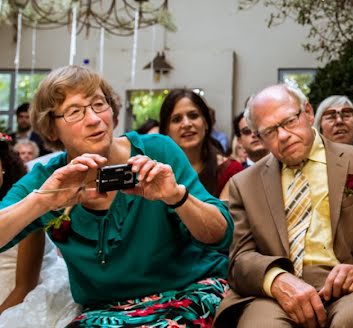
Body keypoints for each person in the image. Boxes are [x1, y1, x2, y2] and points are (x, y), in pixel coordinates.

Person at [0, 66, 234, 326]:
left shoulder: (157, 151)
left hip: (187, 293)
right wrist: (42, 200)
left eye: (99, 104)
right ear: (51, 129)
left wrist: (177, 197)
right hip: (105, 313)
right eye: (75, 112)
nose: (94, 119)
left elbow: (220, 235)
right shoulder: (48, 179)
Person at [214, 84, 353, 328]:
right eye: (270, 131)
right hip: (275, 294)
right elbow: (240, 259)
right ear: (259, 138)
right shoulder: (244, 184)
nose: (283, 135)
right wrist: (277, 280)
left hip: (350, 287)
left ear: (307, 112)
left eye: (289, 121)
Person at [159, 89, 244, 198]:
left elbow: (222, 215)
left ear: (206, 123)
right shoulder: (156, 173)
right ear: (166, 131)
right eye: (176, 119)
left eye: (193, 116)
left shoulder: (229, 171)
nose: (186, 124)